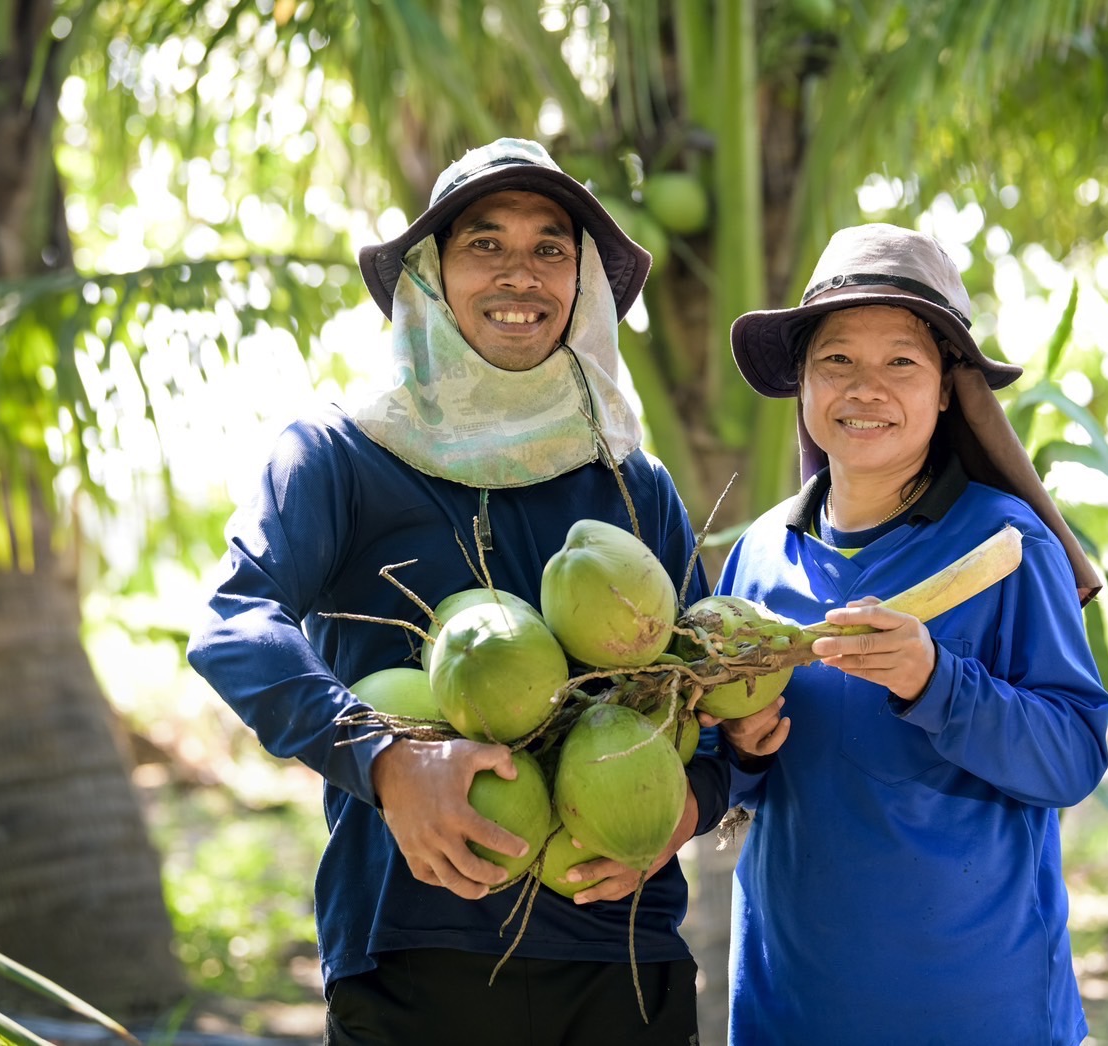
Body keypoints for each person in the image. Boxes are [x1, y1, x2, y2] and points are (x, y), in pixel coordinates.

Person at [187, 138, 726, 1045]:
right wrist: (385, 761)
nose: (522, 275)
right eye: (486, 244)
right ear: (430, 277)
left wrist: (689, 808)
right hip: (412, 949)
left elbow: (704, 695)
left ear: (583, 285)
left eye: (551, 248)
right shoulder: (341, 453)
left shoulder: (633, 480)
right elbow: (233, 621)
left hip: (623, 954)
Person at [706, 222, 1108, 1045]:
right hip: (791, 1010)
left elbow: (1073, 756)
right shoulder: (757, 556)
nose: (866, 388)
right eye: (836, 361)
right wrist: (743, 748)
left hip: (980, 1012)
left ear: (944, 392)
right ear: (803, 388)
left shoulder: (1006, 545)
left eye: (901, 362)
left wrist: (938, 680)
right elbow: (722, 774)